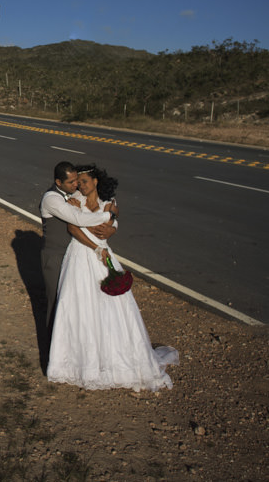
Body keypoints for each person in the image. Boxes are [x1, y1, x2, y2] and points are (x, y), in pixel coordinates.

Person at [46, 163, 178, 391]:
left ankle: (115, 360)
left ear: (96, 181)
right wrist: (98, 244)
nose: (80, 185)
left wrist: (113, 226)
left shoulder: (110, 202)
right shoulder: (75, 199)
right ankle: (80, 364)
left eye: (84, 181)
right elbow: (73, 227)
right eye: (77, 182)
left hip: (103, 255)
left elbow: (109, 223)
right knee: (79, 307)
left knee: (111, 307)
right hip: (81, 255)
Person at [39, 161, 118, 331]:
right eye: (72, 182)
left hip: (78, 255)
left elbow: (111, 215)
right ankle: (51, 352)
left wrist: (113, 227)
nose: (76, 185)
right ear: (58, 183)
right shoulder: (52, 199)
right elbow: (78, 221)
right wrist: (108, 216)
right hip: (57, 255)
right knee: (57, 304)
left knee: (84, 304)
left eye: (78, 181)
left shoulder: (77, 194)